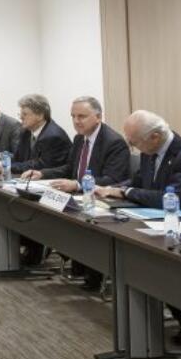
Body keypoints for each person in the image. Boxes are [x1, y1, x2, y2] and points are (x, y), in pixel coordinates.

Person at [95, 110, 181, 345]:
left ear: (156, 136)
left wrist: (125, 192)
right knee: (135, 251)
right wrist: (116, 187)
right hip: (157, 221)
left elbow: (173, 198)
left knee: (156, 262)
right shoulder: (150, 152)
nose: (130, 145)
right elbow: (139, 182)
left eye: (134, 141)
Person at [24, 96, 131, 289]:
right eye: (73, 116)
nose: (76, 121)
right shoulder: (79, 138)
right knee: (43, 212)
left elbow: (113, 180)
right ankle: (78, 263)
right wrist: (42, 173)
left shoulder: (114, 142)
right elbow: (69, 168)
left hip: (100, 201)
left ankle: (92, 271)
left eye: (82, 116)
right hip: (78, 198)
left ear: (98, 117)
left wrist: (77, 185)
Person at [0, 94, 71, 266]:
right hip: (33, 183)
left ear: (40, 115)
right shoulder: (26, 132)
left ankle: (35, 248)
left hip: (55, 185)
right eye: (20, 114)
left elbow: (40, 164)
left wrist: (8, 167)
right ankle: (25, 246)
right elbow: (19, 159)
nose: (21, 117)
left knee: (21, 205)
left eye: (25, 114)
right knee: (10, 201)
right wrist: (3, 163)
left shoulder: (53, 135)